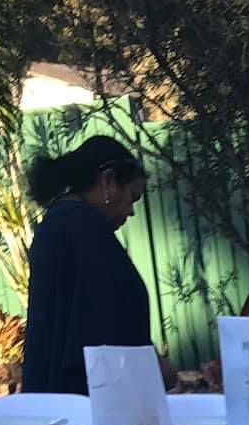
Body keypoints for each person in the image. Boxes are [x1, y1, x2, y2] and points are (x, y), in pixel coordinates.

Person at [21, 137, 160, 395]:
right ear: (107, 181)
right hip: (88, 399)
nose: (130, 211)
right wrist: (153, 368)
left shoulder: (56, 224)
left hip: (51, 394)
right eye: (132, 197)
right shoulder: (85, 231)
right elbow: (101, 324)